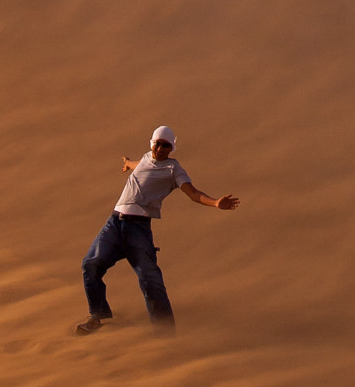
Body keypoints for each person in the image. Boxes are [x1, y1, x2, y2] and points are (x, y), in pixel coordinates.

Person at [76, 127, 239, 335]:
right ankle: (96, 317)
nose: (161, 149)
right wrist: (127, 163)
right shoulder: (145, 158)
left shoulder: (174, 169)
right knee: (90, 264)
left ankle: (165, 334)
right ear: (152, 143)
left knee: (150, 279)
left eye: (166, 145)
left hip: (138, 229)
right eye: (158, 144)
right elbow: (137, 165)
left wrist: (215, 203)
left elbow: (193, 193)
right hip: (114, 224)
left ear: (172, 148)